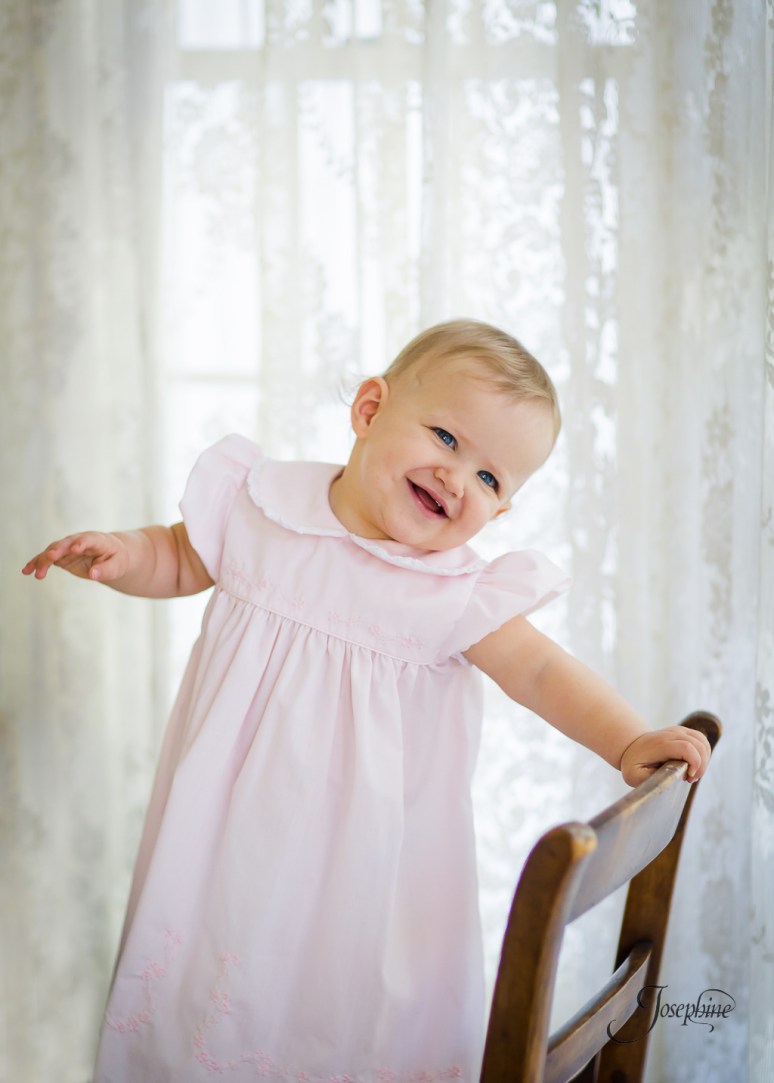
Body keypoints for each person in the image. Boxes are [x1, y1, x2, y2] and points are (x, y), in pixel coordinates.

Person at [23, 319, 710, 1082]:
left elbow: (542, 671)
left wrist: (626, 739)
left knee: (343, 1022)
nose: (458, 478)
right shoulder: (265, 511)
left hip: (370, 874)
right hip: (229, 843)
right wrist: (128, 553)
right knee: (214, 1001)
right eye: (447, 438)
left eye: (490, 479)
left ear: (503, 510)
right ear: (370, 408)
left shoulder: (451, 591)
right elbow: (181, 554)